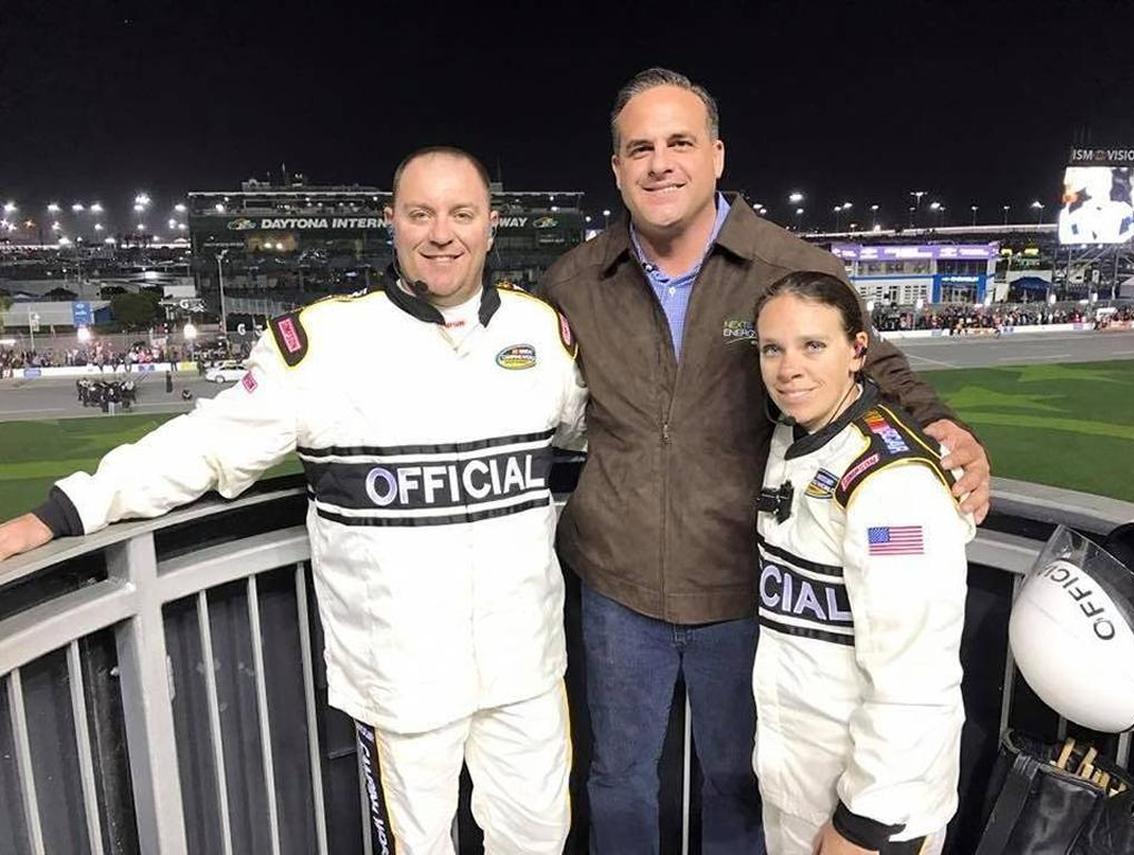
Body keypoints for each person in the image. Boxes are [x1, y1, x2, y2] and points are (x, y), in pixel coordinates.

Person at [0, 146, 587, 855]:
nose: (442, 233)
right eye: (420, 213)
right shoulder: (325, 344)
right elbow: (208, 445)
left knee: (541, 839)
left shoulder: (542, 335)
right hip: (400, 680)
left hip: (524, 667)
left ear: (491, 226)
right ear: (390, 222)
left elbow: (603, 435)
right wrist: (59, 514)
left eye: (462, 214)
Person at [538, 67, 990, 853]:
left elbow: (873, 365)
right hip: (615, 583)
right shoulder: (573, 281)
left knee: (741, 779)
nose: (659, 163)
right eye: (638, 148)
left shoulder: (787, 265)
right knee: (615, 775)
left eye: (680, 141)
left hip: (740, 582)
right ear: (616, 170)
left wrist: (946, 427)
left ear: (717, 154)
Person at [751, 271, 972, 855]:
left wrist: (867, 821)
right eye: (773, 348)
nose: (789, 367)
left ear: (858, 351)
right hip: (803, 784)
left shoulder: (893, 483)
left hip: (873, 812)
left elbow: (917, 671)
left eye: (813, 345)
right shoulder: (796, 434)